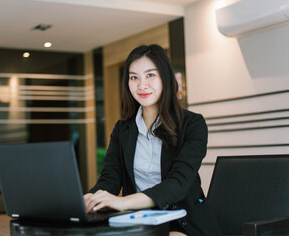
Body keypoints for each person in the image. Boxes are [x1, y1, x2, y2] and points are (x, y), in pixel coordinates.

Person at [83, 44, 220, 235]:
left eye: (150, 75)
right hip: (140, 223)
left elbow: (178, 184)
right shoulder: (123, 129)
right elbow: (110, 179)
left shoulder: (193, 124)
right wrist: (89, 198)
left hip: (183, 222)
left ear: (165, 77)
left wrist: (123, 202)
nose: (142, 85)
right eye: (134, 77)